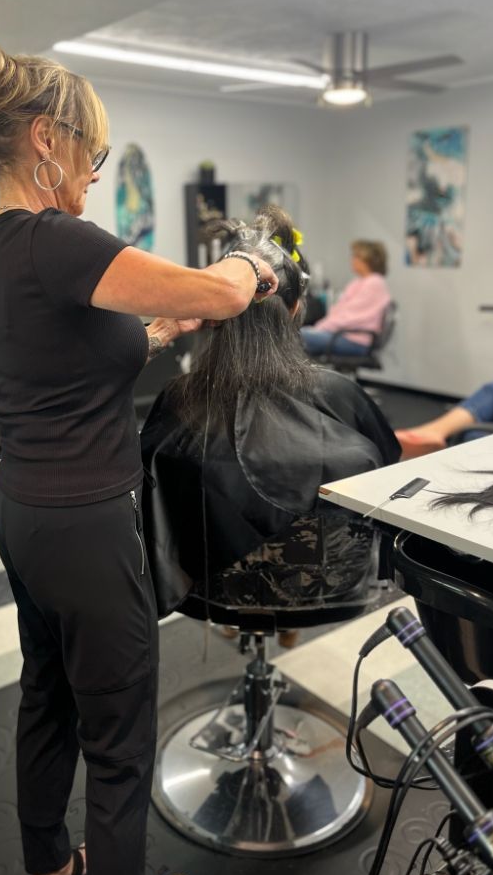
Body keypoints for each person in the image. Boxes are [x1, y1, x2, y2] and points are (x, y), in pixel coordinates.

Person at [0, 25, 278, 875]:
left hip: (26, 517)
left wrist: (155, 333)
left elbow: (65, 361)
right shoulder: (56, 239)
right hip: (87, 527)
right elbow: (228, 290)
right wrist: (254, 258)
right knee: (119, 742)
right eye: (93, 152)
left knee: (47, 695)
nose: (94, 173)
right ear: (47, 138)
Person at [139, 207, 400, 638]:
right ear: (296, 308)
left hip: (212, 590)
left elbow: (153, 498)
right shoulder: (342, 394)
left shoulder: (180, 397)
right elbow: (390, 475)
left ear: (215, 313)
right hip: (332, 589)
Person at [300, 239, 391, 357]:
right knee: (299, 334)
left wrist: (321, 328)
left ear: (368, 261)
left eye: (356, 257)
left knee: (296, 337)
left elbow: (349, 316)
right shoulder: (361, 282)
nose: (352, 260)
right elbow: (343, 312)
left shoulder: (374, 283)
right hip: (345, 336)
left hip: (355, 341)